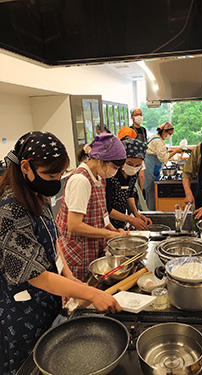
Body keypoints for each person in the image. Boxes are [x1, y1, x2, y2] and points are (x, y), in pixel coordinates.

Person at [0, 132, 121, 375]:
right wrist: (91, 292)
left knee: (53, 357)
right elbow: (36, 275)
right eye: (50, 175)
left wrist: (67, 274)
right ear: (25, 167)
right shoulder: (9, 211)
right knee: (30, 366)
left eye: (59, 175)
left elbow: (54, 239)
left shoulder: (36, 194)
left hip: (47, 300)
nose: (56, 181)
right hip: (21, 311)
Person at [56, 133, 128, 281]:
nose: (114, 172)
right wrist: (108, 235)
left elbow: (102, 213)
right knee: (77, 298)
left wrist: (115, 231)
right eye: (114, 167)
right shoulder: (80, 180)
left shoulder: (99, 177)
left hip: (91, 250)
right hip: (76, 253)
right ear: (102, 161)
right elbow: (74, 226)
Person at [106, 138, 152, 230]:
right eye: (129, 164)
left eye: (138, 165)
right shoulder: (111, 174)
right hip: (108, 224)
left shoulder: (133, 174)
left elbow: (129, 195)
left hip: (122, 221)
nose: (133, 168)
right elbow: (107, 209)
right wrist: (131, 220)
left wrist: (136, 214)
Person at [144, 122, 183, 210]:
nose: (169, 136)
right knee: (150, 193)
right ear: (164, 132)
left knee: (150, 193)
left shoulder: (155, 138)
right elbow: (163, 158)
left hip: (152, 168)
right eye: (169, 134)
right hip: (150, 169)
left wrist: (170, 151)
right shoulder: (157, 141)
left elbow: (159, 152)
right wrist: (176, 151)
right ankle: (151, 213)